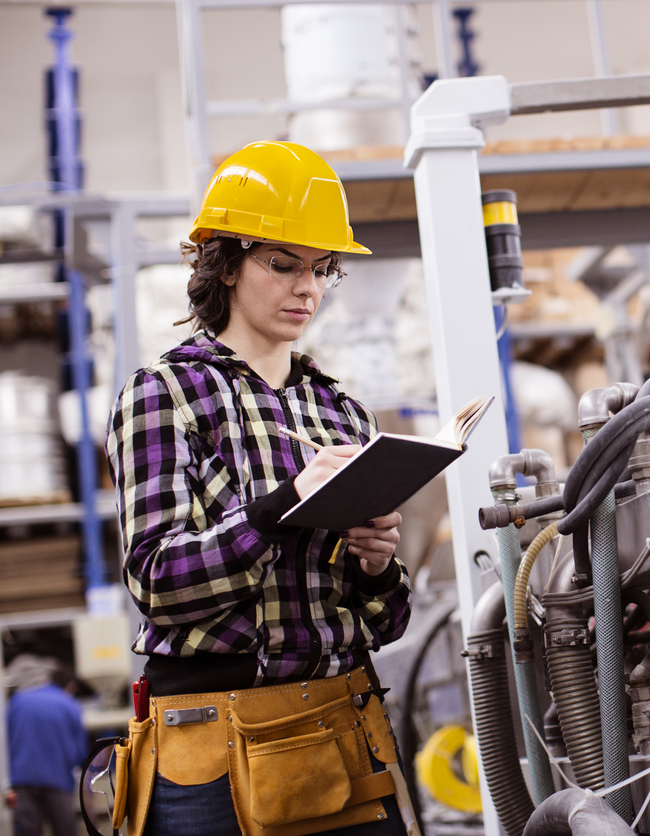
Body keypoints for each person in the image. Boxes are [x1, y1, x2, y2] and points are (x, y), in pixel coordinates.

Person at [105, 141, 415, 836]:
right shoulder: (165, 396)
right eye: (282, 265)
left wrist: (375, 566)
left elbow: (388, 624)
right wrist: (280, 509)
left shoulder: (343, 412)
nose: (307, 288)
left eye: (322, 269)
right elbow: (158, 582)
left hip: (344, 726)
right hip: (210, 748)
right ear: (224, 263)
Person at [6, 665, 87, 836]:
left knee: (26, 832)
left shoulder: (19, 699)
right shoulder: (70, 704)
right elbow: (81, 752)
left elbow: (6, 739)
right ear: (70, 687)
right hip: (58, 781)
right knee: (65, 830)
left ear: (47, 680)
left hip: (22, 780)